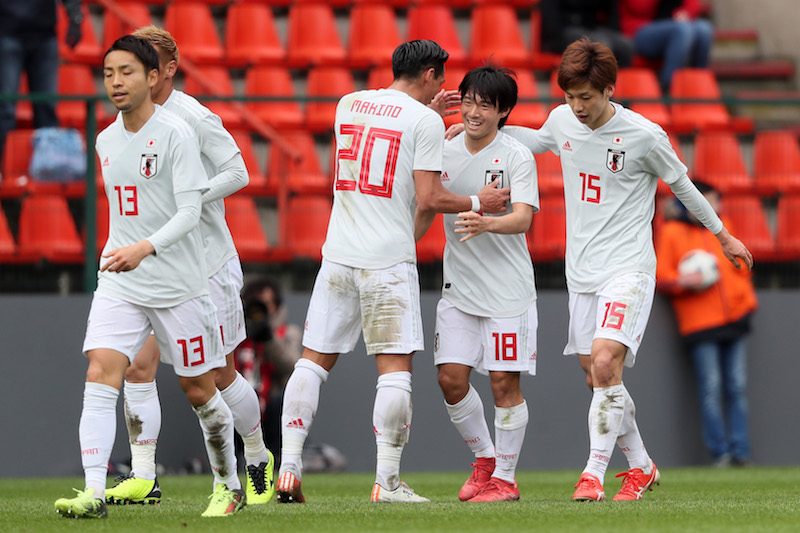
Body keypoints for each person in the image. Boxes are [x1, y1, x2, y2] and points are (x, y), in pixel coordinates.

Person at [449, 37, 752, 501]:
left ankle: (591, 474)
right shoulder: (562, 120)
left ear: (609, 89)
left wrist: (723, 235)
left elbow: (683, 186)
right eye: (570, 97)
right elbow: (530, 140)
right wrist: (476, 129)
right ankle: (643, 466)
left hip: (628, 268)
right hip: (582, 272)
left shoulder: (645, 136)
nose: (577, 107)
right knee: (598, 377)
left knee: (607, 361)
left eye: (585, 97)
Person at [276, 39, 510, 505]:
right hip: (386, 258)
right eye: (440, 79)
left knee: (312, 361)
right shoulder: (424, 120)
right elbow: (429, 199)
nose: (444, 88)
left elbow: (391, 132)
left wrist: (426, 112)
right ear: (429, 74)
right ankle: (387, 481)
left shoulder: (350, 103)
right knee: (395, 369)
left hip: (338, 253)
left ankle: (288, 469)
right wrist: (475, 202)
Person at [54, 35, 243, 519]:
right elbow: (124, 213)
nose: (116, 82)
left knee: (199, 389)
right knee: (100, 372)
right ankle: (94, 491)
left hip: (179, 282)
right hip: (122, 277)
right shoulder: (105, 139)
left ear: (153, 77)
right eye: (108, 73)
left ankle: (228, 485)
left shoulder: (178, 132)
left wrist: (147, 246)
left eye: (127, 72)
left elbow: (188, 210)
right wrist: (127, 249)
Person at [100, 26, 276, 507]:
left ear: (168, 70)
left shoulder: (192, 116)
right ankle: (143, 474)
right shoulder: (126, 126)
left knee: (215, 374)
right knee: (137, 366)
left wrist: (188, 199)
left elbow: (238, 172)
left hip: (204, 263)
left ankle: (258, 455)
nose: (136, 72)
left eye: (146, 63)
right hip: (149, 263)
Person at [417, 66, 539, 503]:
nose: (473, 111)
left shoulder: (516, 156)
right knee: (450, 379)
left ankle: (505, 480)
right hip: (459, 290)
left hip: (508, 291)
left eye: (485, 104)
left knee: (504, 383)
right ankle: (485, 458)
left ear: (503, 111)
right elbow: (426, 197)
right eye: (468, 100)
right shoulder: (444, 145)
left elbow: (524, 217)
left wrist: (488, 224)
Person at [656, 182, 757, 467]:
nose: (715, 208)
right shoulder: (672, 231)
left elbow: (742, 266)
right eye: (708, 202)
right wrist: (682, 282)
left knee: (736, 387)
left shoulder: (725, 226)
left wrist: (744, 301)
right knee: (711, 388)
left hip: (735, 318)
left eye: (716, 202)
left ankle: (741, 451)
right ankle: (720, 453)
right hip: (700, 323)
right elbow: (662, 275)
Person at [0, 0, 81, 161]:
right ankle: (4, 168)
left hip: (44, 36)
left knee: (46, 108)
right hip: (7, 33)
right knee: (5, 110)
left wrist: (75, 18)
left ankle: (48, 167)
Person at [618, 0, 714, 91]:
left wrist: (685, 13)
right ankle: (668, 88)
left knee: (703, 29)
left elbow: (693, 4)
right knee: (682, 30)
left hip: (671, 26)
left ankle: (697, 87)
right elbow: (639, 6)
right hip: (637, 31)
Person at [541, 0, 634, 67]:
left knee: (625, 45)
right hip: (565, 30)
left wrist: (612, 31)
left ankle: (615, 84)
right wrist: (556, 40)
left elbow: (611, 10)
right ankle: (596, 87)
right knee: (600, 45)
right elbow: (551, 19)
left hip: (591, 27)